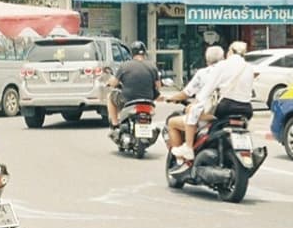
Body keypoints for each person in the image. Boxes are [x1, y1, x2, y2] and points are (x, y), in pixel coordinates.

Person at [172, 41, 255, 169]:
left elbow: (208, 89)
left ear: (231, 52)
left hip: (226, 107)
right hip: (247, 110)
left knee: (193, 110)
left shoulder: (223, 66)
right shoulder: (249, 67)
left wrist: (197, 102)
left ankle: (188, 147)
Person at [163, 46, 224, 161]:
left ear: (207, 60)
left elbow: (186, 93)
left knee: (172, 122)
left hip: (207, 115)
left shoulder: (204, 73)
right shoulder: (228, 73)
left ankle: (181, 159)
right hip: (226, 113)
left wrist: (170, 98)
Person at [105, 41, 160, 132]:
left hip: (128, 100)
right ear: (144, 53)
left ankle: (115, 124)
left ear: (131, 53)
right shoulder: (152, 66)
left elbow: (114, 83)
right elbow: (158, 86)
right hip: (148, 101)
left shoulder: (125, 66)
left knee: (110, 96)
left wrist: (109, 82)